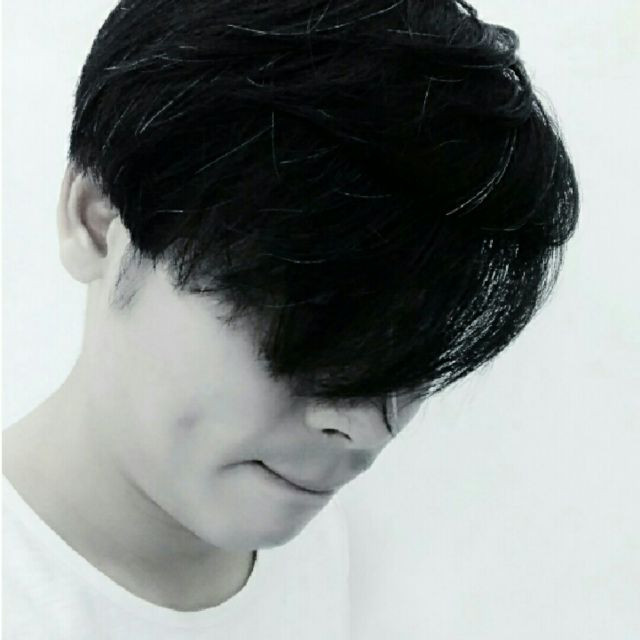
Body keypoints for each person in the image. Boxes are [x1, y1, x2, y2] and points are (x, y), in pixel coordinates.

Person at [2, 0, 579, 637]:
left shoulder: (353, 558)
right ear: (98, 221)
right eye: (296, 320)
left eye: (410, 349)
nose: (364, 427)